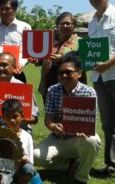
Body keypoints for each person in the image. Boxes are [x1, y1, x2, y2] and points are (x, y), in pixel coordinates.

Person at [33, 53, 101, 183]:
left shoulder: (89, 92)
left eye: (68, 72)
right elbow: (48, 119)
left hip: (78, 139)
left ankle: (80, 177)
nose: (64, 76)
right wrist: (53, 126)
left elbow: (91, 122)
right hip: (58, 138)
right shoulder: (53, 90)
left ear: (79, 73)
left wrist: (84, 130)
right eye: (61, 73)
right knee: (36, 156)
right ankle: (69, 166)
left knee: (93, 140)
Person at [87, 0, 115, 176]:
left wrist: (108, 64)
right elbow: (91, 51)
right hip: (98, 78)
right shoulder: (91, 21)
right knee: (108, 123)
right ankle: (111, 164)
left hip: (114, 74)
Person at [31, 12, 86, 105]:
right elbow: (42, 59)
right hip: (49, 82)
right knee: (51, 114)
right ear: (57, 25)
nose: (65, 26)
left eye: (68, 23)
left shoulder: (80, 42)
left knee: (69, 113)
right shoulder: (49, 40)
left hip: (70, 84)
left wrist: (63, 59)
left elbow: (84, 63)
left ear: (74, 26)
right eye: (61, 23)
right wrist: (36, 60)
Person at [0, 99, 42, 184]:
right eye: (8, 117)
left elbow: (30, 163)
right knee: (3, 181)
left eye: (15, 116)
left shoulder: (27, 136)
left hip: (19, 169)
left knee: (29, 169)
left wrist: (24, 160)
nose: (12, 120)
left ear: (22, 116)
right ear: (3, 118)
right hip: (4, 169)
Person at [0, 52, 38, 133]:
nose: (0, 68)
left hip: (20, 132)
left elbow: (34, 119)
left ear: (14, 68)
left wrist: (18, 117)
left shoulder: (23, 88)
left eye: (4, 65)